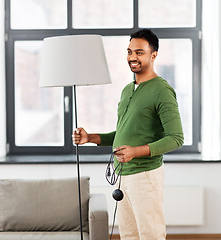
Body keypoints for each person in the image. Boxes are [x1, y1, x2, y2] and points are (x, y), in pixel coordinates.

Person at [72, 29, 184, 240]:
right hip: (123, 175)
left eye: (140, 52)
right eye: (130, 51)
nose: (133, 57)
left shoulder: (161, 90)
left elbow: (176, 138)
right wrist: (91, 138)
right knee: (129, 235)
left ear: (153, 55)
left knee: (150, 235)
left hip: (145, 176)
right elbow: (123, 133)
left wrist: (136, 152)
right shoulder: (127, 90)